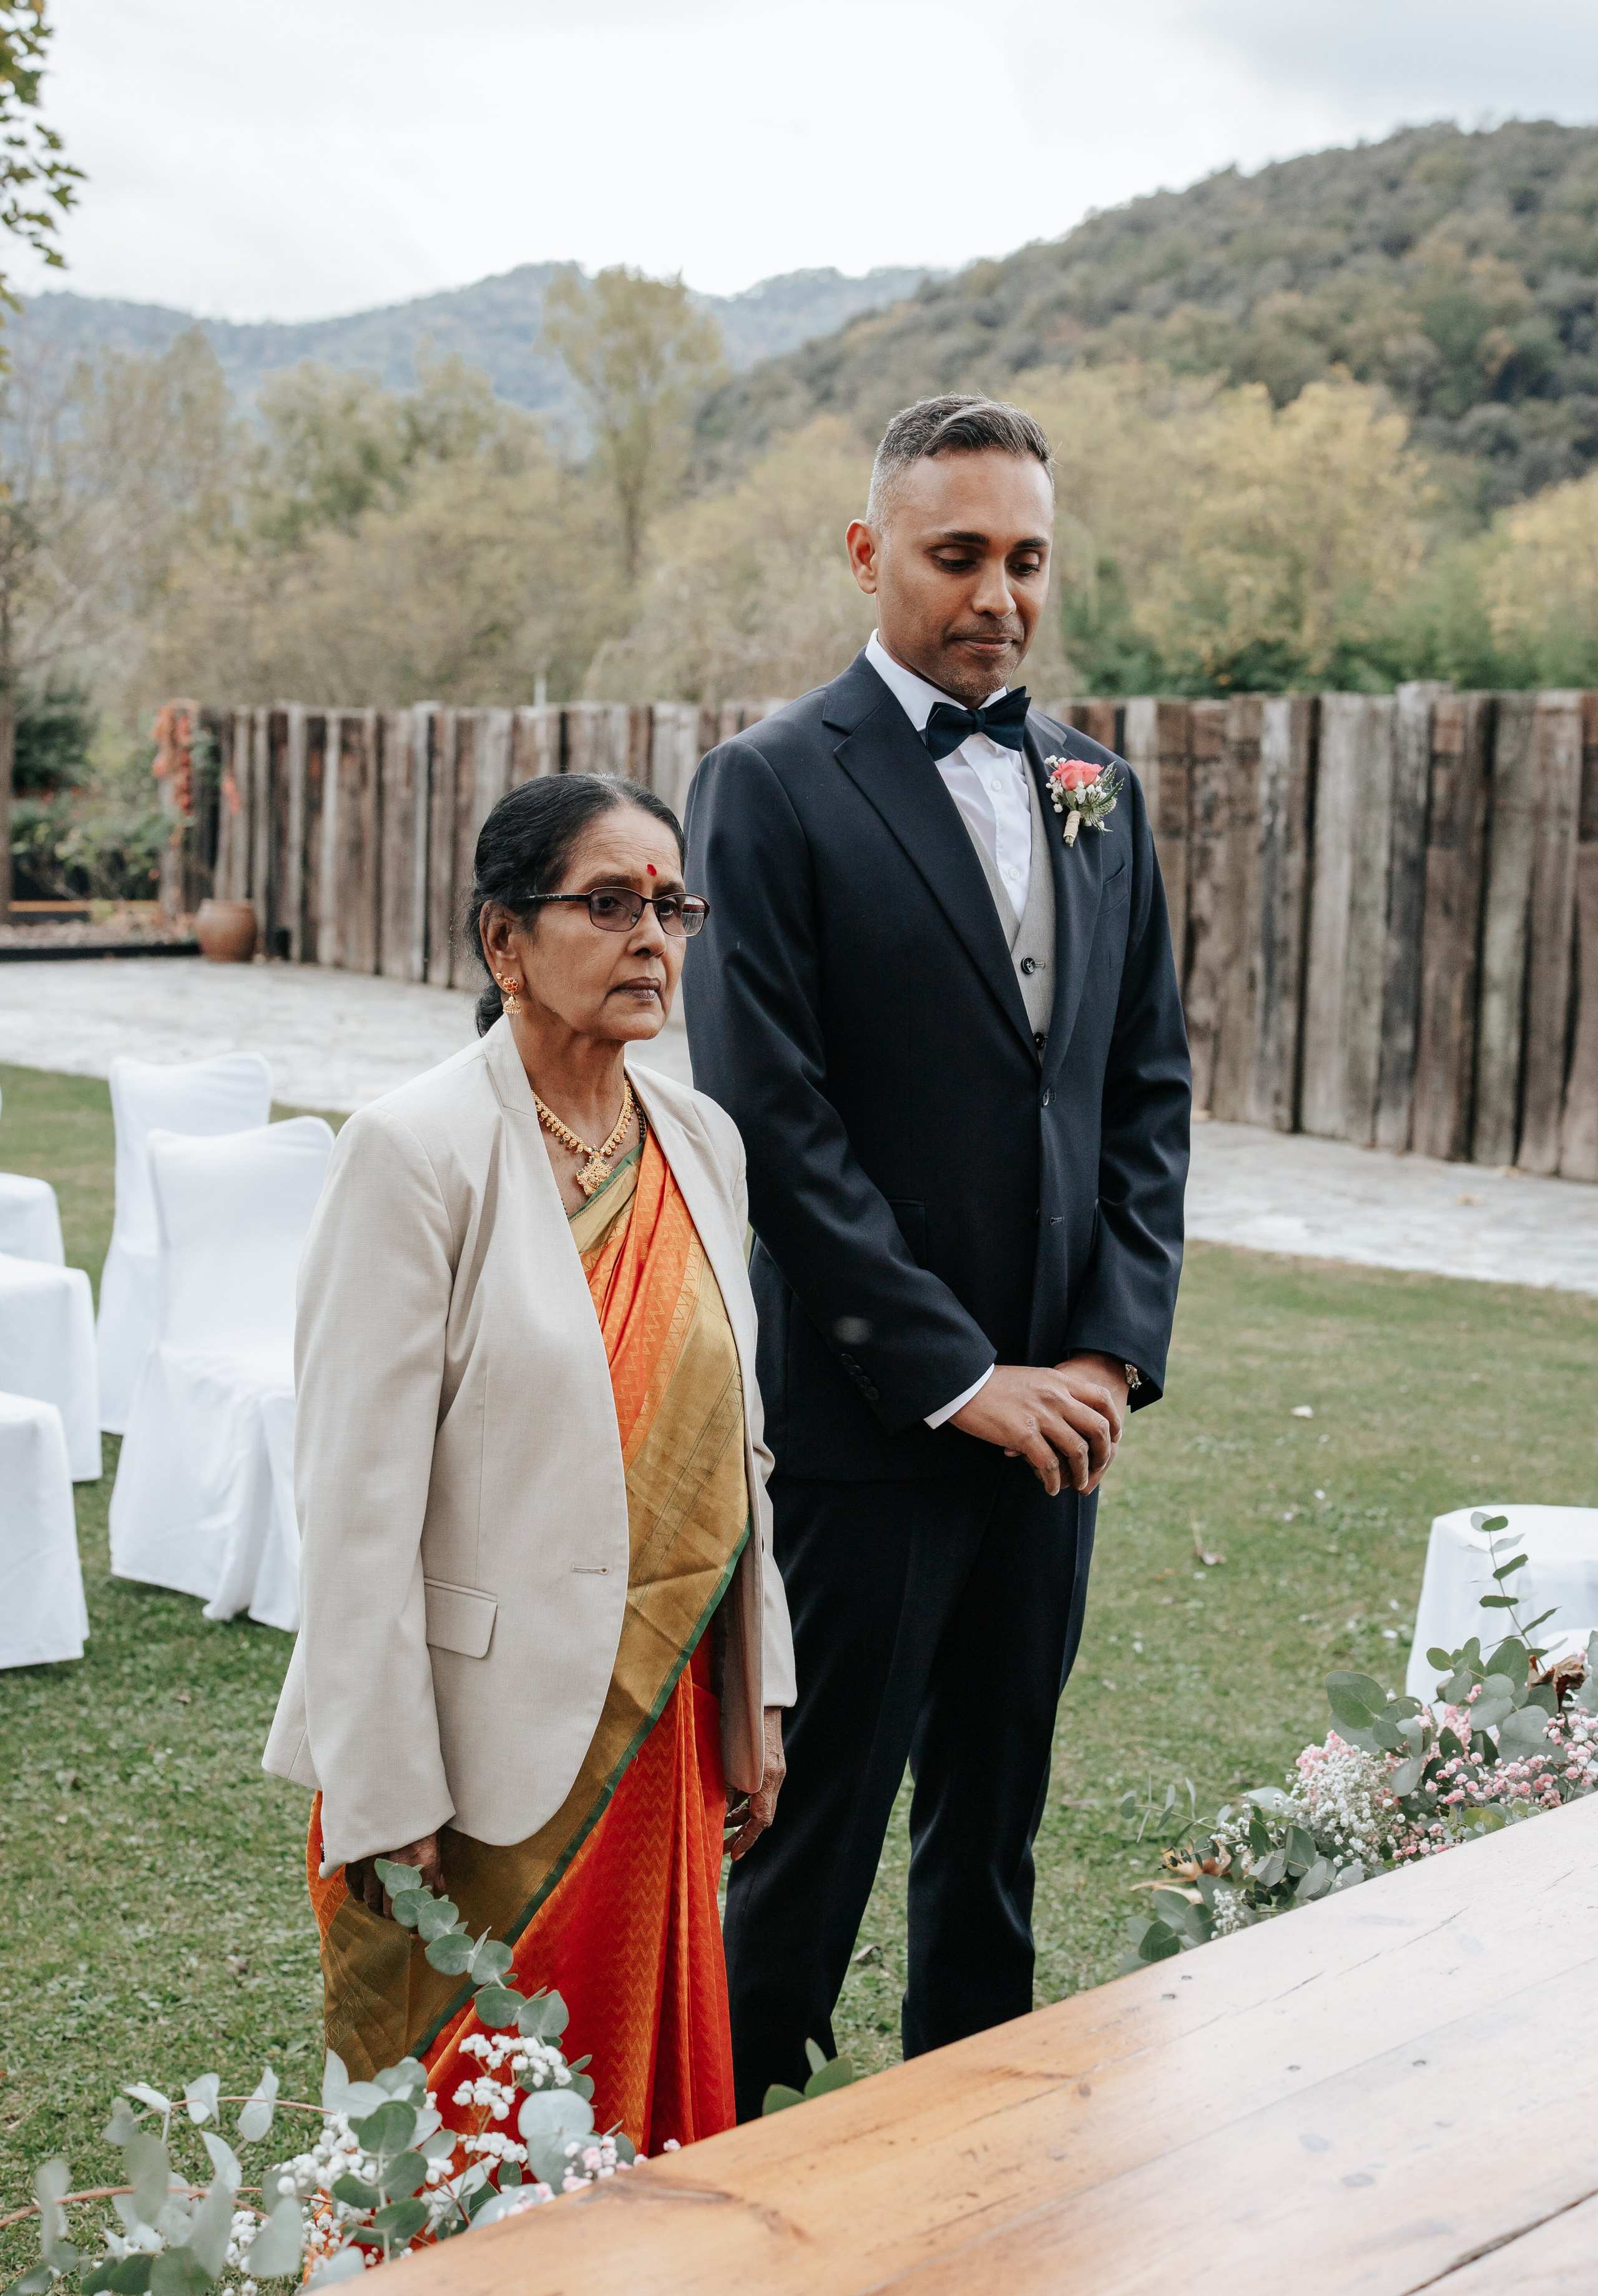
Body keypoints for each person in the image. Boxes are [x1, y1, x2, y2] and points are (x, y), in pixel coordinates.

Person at [682, 393, 1190, 2118]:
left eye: (1027, 558)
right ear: (867, 551)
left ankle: (976, 2175)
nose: (997, 593)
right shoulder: (763, 787)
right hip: (872, 1425)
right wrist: (960, 1379)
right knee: (812, 1838)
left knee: (994, 1836)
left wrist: (1106, 1356)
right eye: (957, 553)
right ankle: (726, 2171)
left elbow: (1145, 1094)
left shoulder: (1097, 787)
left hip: (1064, 1432)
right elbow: (774, 1122)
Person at [263, 773, 794, 2156]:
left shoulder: (701, 1143)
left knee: (627, 2126)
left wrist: (762, 1695)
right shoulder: (412, 1152)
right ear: (505, 943)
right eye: (606, 904)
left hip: (660, 1729)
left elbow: (738, 1447)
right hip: (471, 1752)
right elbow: (353, 1505)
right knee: (461, 2147)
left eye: (669, 906)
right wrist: (383, 1794)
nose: (652, 939)